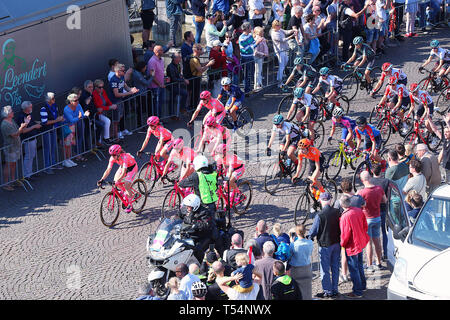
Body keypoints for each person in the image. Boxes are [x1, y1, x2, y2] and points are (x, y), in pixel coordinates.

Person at [307, 192, 341, 298]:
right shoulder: (337, 212)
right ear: (330, 201)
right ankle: (335, 289)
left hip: (325, 245)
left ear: (321, 201)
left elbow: (313, 232)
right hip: (336, 243)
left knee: (325, 269)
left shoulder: (320, 215)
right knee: (335, 267)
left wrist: (308, 238)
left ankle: (328, 291)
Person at [339, 194, 370, 298]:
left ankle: (357, 291)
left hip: (352, 246)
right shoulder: (358, 210)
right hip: (360, 242)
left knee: (353, 269)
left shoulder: (345, 216)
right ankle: (363, 285)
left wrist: (342, 244)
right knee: (360, 265)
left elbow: (345, 234)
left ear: (341, 204)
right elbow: (365, 225)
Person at [357, 171, 387, 271]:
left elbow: (357, 204)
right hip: (377, 217)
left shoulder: (362, 192)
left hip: (366, 219)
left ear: (362, 180)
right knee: (377, 241)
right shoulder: (379, 189)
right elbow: (385, 200)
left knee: (368, 243)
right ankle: (378, 262)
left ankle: (369, 265)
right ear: (370, 177)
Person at [97, 145, 138, 213]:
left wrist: (118, 181)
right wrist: (102, 179)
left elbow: (124, 172)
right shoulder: (112, 158)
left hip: (132, 168)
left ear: (118, 153)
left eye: (114, 155)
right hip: (123, 167)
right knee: (116, 181)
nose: (112, 156)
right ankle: (127, 193)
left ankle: (130, 205)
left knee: (126, 185)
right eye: (111, 155)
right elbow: (108, 170)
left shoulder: (124, 157)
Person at [110, 63, 139, 139]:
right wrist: (129, 92)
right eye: (123, 71)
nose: (124, 72)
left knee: (120, 117)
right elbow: (116, 94)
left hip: (120, 100)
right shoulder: (113, 80)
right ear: (118, 71)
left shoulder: (122, 77)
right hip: (115, 101)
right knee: (116, 120)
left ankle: (116, 134)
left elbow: (126, 86)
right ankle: (115, 137)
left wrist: (132, 89)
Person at [1, 106, 27, 190]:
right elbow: (15, 134)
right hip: (10, 148)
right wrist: (22, 127)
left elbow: (18, 131)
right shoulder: (5, 124)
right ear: (7, 114)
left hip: (16, 146)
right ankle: (5, 183)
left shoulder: (11, 120)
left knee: (14, 163)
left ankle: (13, 180)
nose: (13, 112)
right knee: (8, 165)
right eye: (11, 111)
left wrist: (24, 125)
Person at [14, 101, 41, 179]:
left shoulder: (28, 114)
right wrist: (35, 126)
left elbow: (30, 124)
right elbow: (23, 130)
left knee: (31, 156)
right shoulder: (21, 117)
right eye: (31, 107)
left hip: (32, 138)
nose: (32, 108)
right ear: (26, 108)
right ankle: (27, 175)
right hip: (28, 140)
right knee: (28, 157)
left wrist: (36, 123)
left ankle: (30, 172)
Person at [40, 92, 65, 174]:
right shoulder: (43, 108)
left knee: (53, 146)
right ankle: (47, 167)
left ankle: (53, 163)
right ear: (49, 100)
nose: (55, 100)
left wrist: (60, 118)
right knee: (47, 148)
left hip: (54, 129)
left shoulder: (54, 105)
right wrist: (57, 120)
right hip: (46, 130)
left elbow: (56, 115)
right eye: (53, 98)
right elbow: (44, 122)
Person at [63, 94, 90, 166]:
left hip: (74, 127)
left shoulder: (78, 105)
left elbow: (82, 115)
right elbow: (71, 120)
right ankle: (66, 160)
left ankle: (69, 159)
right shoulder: (66, 109)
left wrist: (83, 115)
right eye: (75, 100)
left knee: (72, 142)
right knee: (67, 144)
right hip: (67, 128)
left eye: (78, 99)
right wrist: (79, 117)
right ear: (71, 102)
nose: (78, 101)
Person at [288, 224, 313, 300]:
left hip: (296, 270)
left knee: (297, 291)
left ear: (296, 232)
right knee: (307, 291)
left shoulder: (294, 245)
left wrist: (291, 243)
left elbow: (290, 255)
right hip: (307, 269)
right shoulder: (310, 243)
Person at [371, 163, 389, 261]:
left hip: (373, 211)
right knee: (384, 232)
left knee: (373, 236)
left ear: (372, 171)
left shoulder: (370, 182)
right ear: (381, 171)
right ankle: (385, 253)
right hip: (383, 210)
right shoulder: (386, 181)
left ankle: (375, 257)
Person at [189, 44, 216, 108]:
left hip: (197, 78)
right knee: (195, 95)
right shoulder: (194, 60)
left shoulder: (196, 58)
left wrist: (208, 62)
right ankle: (194, 109)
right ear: (196, 50)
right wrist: (209, 64)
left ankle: (194, 108)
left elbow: (200, 64)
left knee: (196, 95)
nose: (202, 51)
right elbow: (201, 70)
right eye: (200, 49)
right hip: (195, 78)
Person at [271, 19, 296, 88]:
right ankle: (279, 82)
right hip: (280, 51)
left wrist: (293, 30)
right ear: (275, 26)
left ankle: (279, 78)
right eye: (279, 25)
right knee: (281, 67)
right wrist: (292, 36)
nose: (280, 26)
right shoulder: (274, 33)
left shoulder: (279, 30)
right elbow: (283, 40)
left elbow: (286, 32)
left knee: (285, 64)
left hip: (284, 49)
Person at [92, 79, 116, 145]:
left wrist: (111, 105)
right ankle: (104, 139)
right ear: (96, 87)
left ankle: (104, 139)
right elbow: (98, 107)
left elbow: (107, 100)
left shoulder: (103, 91)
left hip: (104, 112)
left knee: (105, 123)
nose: (101, 88)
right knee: (107, 121)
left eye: (102, 87)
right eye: (100, 87)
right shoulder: (94, 94)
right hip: (97, 114)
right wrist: (110, 107)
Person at [166, 52, 189, 118]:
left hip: (177, 85)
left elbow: (178, 75)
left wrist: (181, 77)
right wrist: (183, 80)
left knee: (173, 100)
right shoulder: (170, 67)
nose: (180, 58)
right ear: (175, 59)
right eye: (179, 57)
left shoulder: (178, 65)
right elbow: (173, 78)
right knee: (182, 94)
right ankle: (178, 111)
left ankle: (174, 114)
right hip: (172, 85)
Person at [239, 22, 259, 94]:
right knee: (247, 74)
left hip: (251, 56)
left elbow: (253, 44)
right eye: (250, 27)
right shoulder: (241, 38)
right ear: (246, 29)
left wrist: (255, 44)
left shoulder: (250, 35)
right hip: (245, 58)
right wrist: (256, 43)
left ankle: (251, 89)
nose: (251, 29)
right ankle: (247, 90)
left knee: (251, 73)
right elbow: (247, 48)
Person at [147, 46, 166, 117]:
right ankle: (156, 121)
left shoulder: (161, 60)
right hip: (155, 87)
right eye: (160, 50)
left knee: (160, 104)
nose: (162, 51)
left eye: (162, 50)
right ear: (155, 52)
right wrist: (159, 84)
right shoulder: (152, 61)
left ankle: (159, 120)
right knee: (156, 105)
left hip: (160, 86)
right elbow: (152, 76)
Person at [253, 26, 269, 91]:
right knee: (257, 71)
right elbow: (255, 51)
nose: (263, 33)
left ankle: (259, 84)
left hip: (261, 57)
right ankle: (256, 85)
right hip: (258, 57)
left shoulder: (262, 38)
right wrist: (264, 54)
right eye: (261, 32)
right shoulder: (256, 39)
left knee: (259, 71)